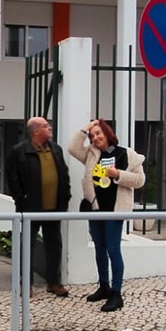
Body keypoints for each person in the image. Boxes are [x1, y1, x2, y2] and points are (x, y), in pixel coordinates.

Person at [67, 119, 146, 312]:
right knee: (99, 248)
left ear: (107, 133)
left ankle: (116, 294)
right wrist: (86, 128)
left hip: (115, 210)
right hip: (96, 208)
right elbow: (72, 147)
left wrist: (117, 174)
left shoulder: (126, 154)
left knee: (113, 249)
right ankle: (104, 286)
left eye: (98, 133)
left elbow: (140, 180)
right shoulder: (92, 154)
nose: (95, 137)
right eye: (92, 135)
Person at [4, 115, 71, 296]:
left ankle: (54, 282)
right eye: (46, 126)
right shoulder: (19, 151)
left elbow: (64, 174)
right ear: (36, 131)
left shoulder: (55, 149)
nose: (50, 128)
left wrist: (65, 198)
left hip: (54, 208)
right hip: (30, 208)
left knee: (54, 245)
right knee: (27, 246)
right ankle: (26, 283)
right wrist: (21, 199)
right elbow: (12, 179)